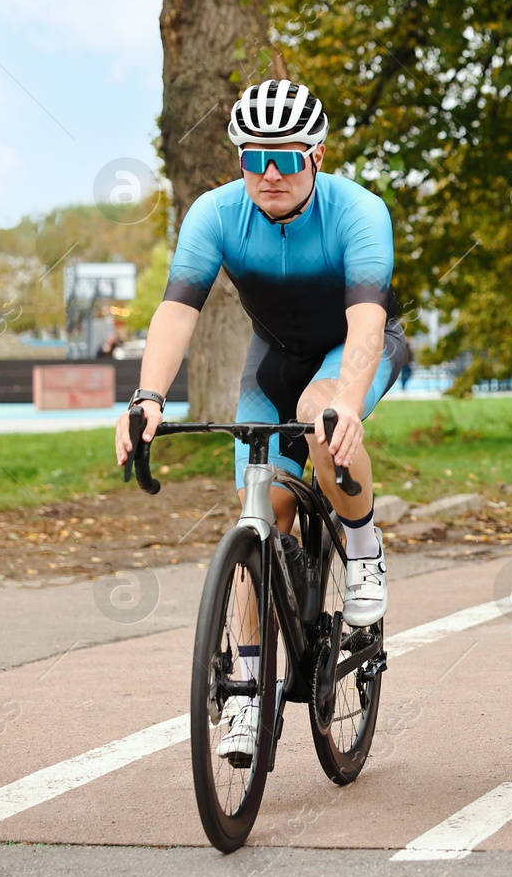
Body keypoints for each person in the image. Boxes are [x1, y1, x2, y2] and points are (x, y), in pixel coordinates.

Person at [114, 79, 407, 759]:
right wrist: (148, 396)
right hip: (272, 359)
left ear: (318, 155)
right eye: (255, 159)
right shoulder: (213, 214)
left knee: (318, 415)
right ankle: (247, 690)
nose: (270, 175)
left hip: (353, 349)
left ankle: (362, 549)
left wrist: (346, 402)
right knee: (258, 507)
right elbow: (176, 310)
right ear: (239, 160)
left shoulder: (359, 211)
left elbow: (366, 320)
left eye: (287, 159)